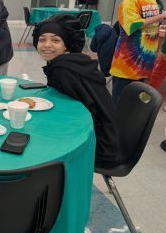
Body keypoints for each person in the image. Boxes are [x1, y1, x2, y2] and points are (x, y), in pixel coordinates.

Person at [34, 14, 121, 169]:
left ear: (66, 44)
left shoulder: (64, 70)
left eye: (55, 40)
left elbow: (77, 117)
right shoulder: (75, 61)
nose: (47, 45)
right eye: (42, 39)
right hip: (111, 136)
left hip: (98, 145)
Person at [109, 0, 166, 105]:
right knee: (120, 103)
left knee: (135, 104)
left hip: (145, 62)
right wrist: (160, 17)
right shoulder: (130, 1)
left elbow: (150, 24)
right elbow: (133, 26)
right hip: (127, 64)